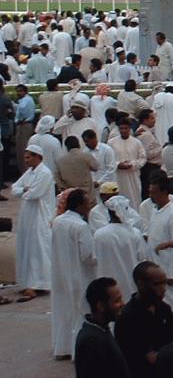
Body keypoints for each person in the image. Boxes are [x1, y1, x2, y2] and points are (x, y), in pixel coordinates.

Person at [52, 188, 97, 359]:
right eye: (87, 203)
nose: (89, 206)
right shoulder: (81, 225)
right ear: (79, 205)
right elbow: (88, 256)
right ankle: (78, 349)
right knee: (81, 309)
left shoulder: (58, 222)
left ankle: (63, 347)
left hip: (61, 271)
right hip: (79, 274)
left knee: (64, 308)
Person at [12, 144, 54, 301]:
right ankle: (28, 282)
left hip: (40, 215)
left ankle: (38, 283)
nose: (26, 160)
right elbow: (15, 189)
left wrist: (25, 191)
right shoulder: (29, 173)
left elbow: (35, 193)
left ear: (38, 157)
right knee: (27, 247)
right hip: (27, 215)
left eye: (29, 157)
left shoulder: (45, 173)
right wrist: (24, 190)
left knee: (38, 248)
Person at [146, 174, 173, 317]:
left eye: (154, 192)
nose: (151, 196)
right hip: (159, 268)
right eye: (150, 192)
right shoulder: (155, 210)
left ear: (164, 193)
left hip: (171, 274)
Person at [92, 199, 149, 301]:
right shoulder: (135, 233)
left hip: (106, 285)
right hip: (130, 284)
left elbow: (94, 259)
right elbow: (143, 257)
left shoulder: (99, 234)